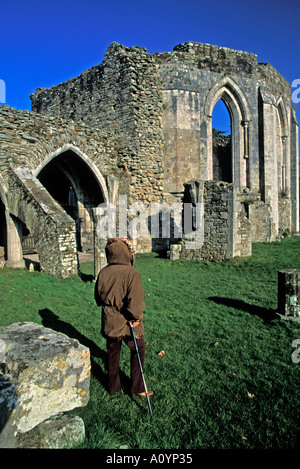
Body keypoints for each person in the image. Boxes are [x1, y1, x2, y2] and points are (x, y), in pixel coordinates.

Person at [95, 237, 153, 398]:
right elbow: (135, 300)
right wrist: (136, 318)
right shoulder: (131, 273)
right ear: (125, 253)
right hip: (129, 321)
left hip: (110, 320)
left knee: (112, 354)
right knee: (138, 348)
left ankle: (113, 386)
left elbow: (98, 299)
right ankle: (137, 387)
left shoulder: (103, 272)